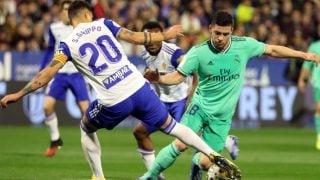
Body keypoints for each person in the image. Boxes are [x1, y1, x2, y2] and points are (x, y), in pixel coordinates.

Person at [0, 2, 240, 180]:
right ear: (87, 14)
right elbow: (135, 37)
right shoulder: (103, 24)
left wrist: (19, 94)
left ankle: (98, 176)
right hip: (140, 88)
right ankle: (214, 155)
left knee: (86, 125)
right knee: (174, 128)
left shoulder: (67, 44)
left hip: (114, 99)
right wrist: (165, 35)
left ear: (73, 18)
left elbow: (46, 75)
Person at [140, 11, 320, 180]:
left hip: (222, 117)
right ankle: (149, 176)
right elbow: (178, 77)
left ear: (232, 31)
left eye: (225, 34)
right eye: (217, 32)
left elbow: (272, 50)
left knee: (205, 162)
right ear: (210, 28)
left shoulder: (244, 46)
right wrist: (160, 79)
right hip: (200, 108)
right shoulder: (198, 52)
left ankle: (195, 164)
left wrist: (303, 55)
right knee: (180, 144)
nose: (220, 38)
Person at [133, 21, 240, 179]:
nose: (152, 42)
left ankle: (223, 141)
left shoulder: (174, 53)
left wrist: (192, 94)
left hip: (181, 102)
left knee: (182, 142)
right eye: (148, 38)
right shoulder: (145, 53)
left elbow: (195, 69)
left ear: (162, 37)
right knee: (140, 132)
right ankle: (155, 174)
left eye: (156, 37)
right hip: (163, 102)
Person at [40, 0, 90, 157]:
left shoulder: (82, 28)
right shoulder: (54, 28)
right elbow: (50, 50)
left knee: (86, 112)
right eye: (64, 10)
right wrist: (43, 71)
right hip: (59, 74)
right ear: (60, 11)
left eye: (69, 10)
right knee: (47, 106)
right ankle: (55, 139)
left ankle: (88, 145)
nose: (66, 13)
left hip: (77, 73)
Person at [298, 40, 320, 150]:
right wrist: (302, 79)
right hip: (318, 82)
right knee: (319, 108)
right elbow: (307, 65)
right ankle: (319, 137)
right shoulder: (315, 46)